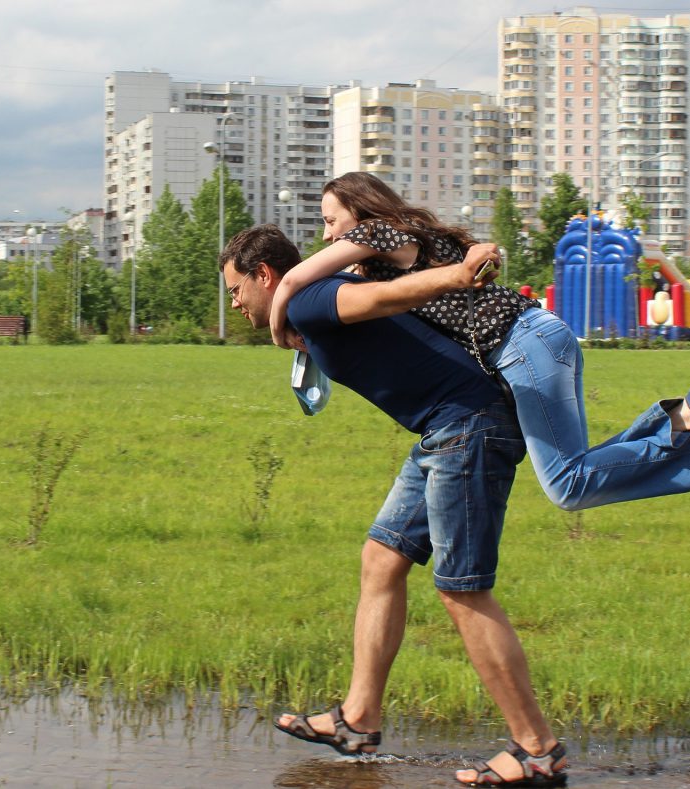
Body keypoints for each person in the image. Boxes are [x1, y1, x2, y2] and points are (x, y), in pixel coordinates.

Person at [222, 223, 568, 786]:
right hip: (443, 430)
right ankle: (358, 719)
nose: (234, 302)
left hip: (468, 427)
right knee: (382, 558)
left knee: (463, 588)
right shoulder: (307, 305)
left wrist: (457, 274)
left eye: (237, 288)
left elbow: (387, 295)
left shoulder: (315, 297)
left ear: (265, 275)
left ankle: (537, 750)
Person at [268, 172, 690, 510]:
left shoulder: (383, 233)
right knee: (575, 469)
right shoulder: (409, 237)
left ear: (361, 209)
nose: (327, 235)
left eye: (331, 221)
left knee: (569, 484)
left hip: (522, 346)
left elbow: (294, 281)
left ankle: (686, 429)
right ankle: (677, 424)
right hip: (541, 335)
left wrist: (277, 324)